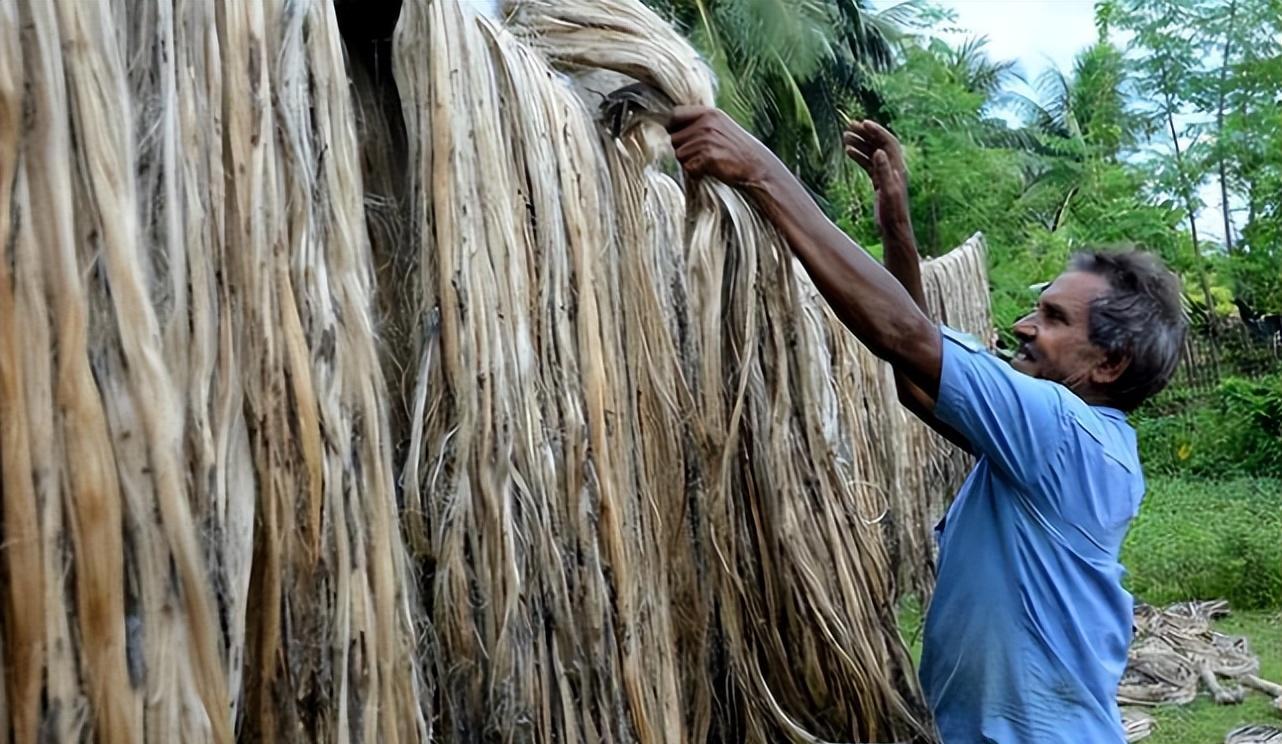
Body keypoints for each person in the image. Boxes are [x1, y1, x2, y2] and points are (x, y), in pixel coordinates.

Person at [665, 106, 1187, 743]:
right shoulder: (1054, 453)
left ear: (1109, 362)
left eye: (1052, 318)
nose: (1024, 326)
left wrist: (761, 170)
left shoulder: (1065, 436)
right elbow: (917, 380)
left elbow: (904, 336)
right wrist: (896, 223)